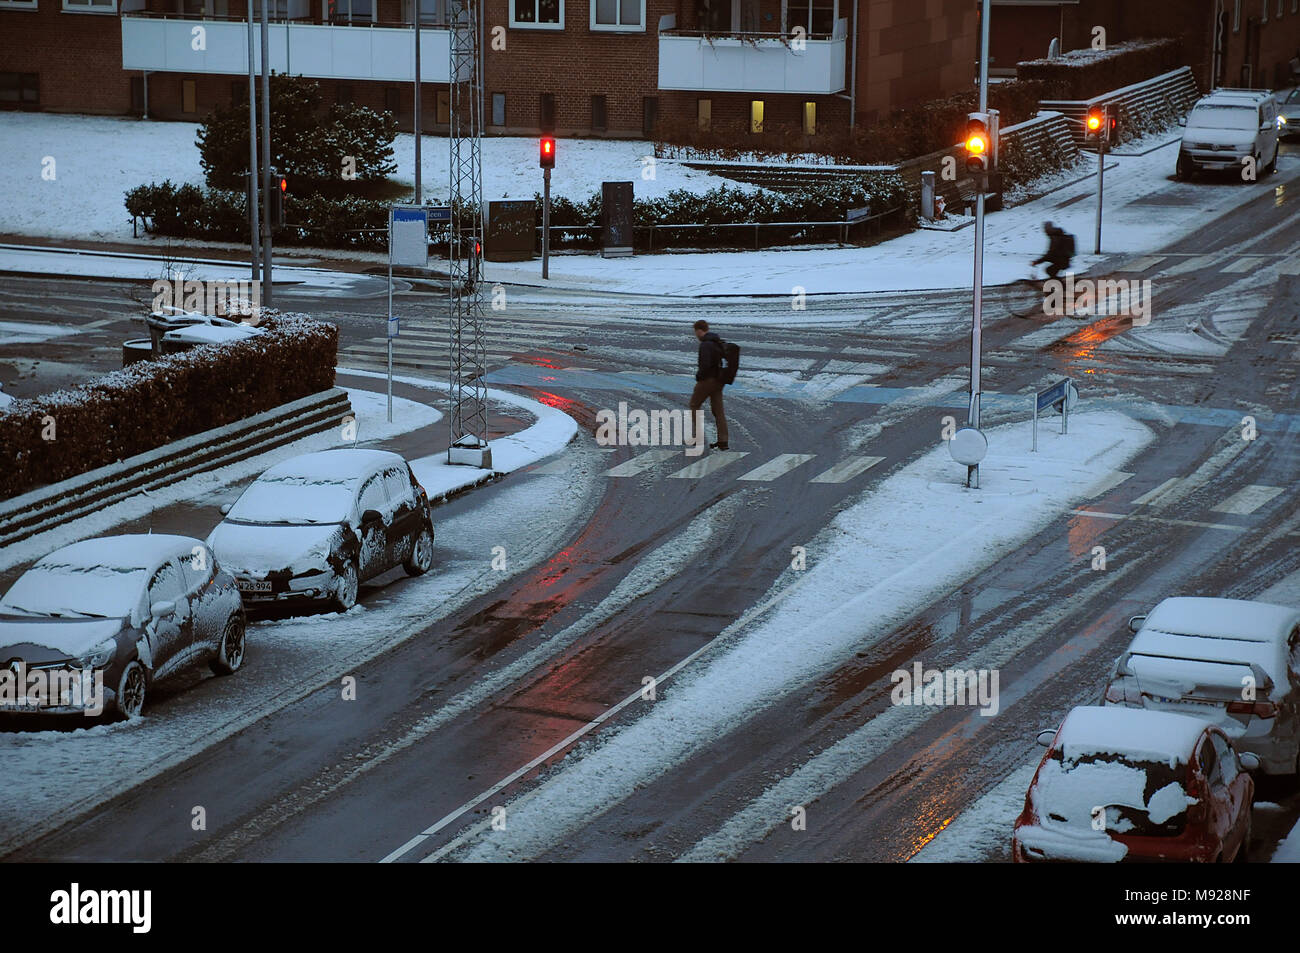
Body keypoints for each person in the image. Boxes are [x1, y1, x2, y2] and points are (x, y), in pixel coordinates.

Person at [689, 319, 729, 451]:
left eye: (696, 333)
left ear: (699, 330)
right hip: (719, 381)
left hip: (708, 380)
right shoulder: (717, 341)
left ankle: (697, 438)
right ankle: (723, 441)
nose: (696, 336)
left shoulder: (706, 345)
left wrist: (699, 377)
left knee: (694, 405)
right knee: (718, 411)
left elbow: (705, 365)